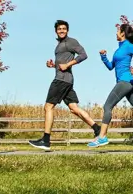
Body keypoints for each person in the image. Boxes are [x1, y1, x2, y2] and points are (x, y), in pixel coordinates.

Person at [29, 20, 101, 151]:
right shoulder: (60, 44)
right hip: (66, 80)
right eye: (59, 29)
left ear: (67, 30)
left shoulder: (71, 42)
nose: (62, 30)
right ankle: (98, 129)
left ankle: (45, 140)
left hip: (61, 80)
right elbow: (62, 64)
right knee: (74, 108)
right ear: (56, 31)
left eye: (64, 29)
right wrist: (53, 65)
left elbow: (84, 55)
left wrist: (68, 65)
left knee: (48, 107)